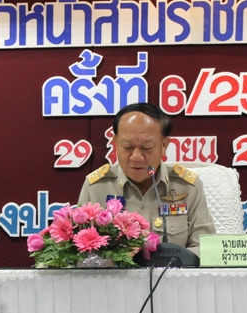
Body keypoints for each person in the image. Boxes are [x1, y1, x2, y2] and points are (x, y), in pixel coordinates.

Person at [78, 102, 215, 254]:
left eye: (147, 148)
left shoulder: (188, 187)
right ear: (115, 143)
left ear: (164, 145)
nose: (136, 157)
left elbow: (206, 250)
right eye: (127, 147)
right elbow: (79, 251)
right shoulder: (95, 187)